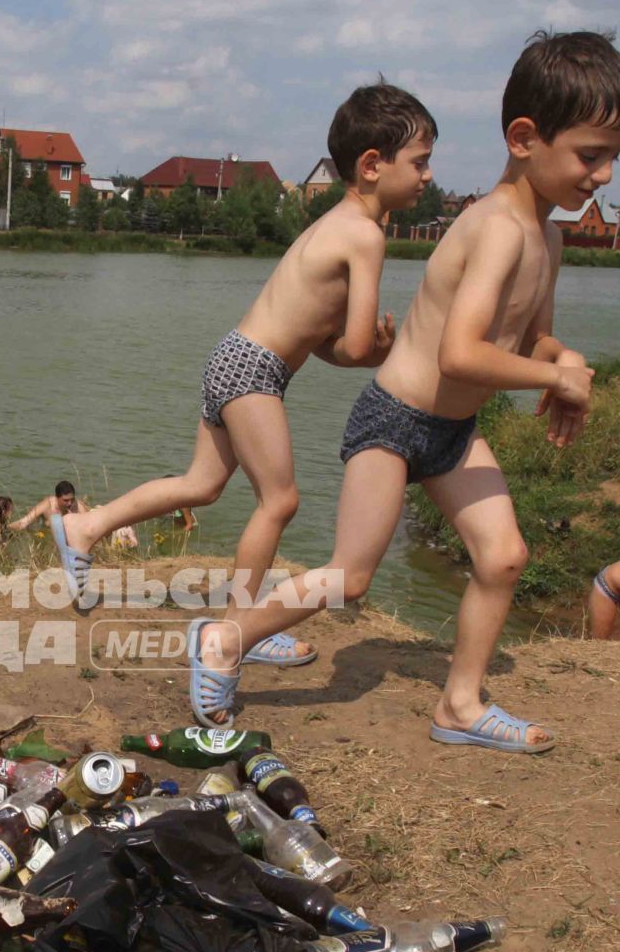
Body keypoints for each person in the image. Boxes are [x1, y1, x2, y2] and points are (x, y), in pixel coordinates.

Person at [188, 30, 620, 753]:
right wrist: (551, 377)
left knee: (503, 558)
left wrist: (564, 359)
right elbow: (462, 355)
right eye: (591, 154)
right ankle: (223, 637)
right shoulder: (492, 227)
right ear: (524, 138)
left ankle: (459, 706)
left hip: (453, 431)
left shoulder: (547, 239)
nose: (605, 176)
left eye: (615, 156)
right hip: (394, 422)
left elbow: (527, 342)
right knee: (350, 576)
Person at [51, 82, 433, 659]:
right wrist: (380, 350)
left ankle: (86, 527)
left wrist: (357, 348)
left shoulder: (335, 221)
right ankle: (240, 628)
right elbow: (353, 348)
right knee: (279, 501)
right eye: (421, 162)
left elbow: (319, 340)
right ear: (373, 165)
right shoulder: (365, 235)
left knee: (201, 484)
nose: (428, 176)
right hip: (254, 370)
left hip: (237, 356)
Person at [12, 481, 80, 531]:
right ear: (57, 498)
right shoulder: (47, 505)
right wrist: (5, 528)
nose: (70, 503)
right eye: (66, 500)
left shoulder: (78, 506)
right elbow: (23, 523)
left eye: (72, 499)